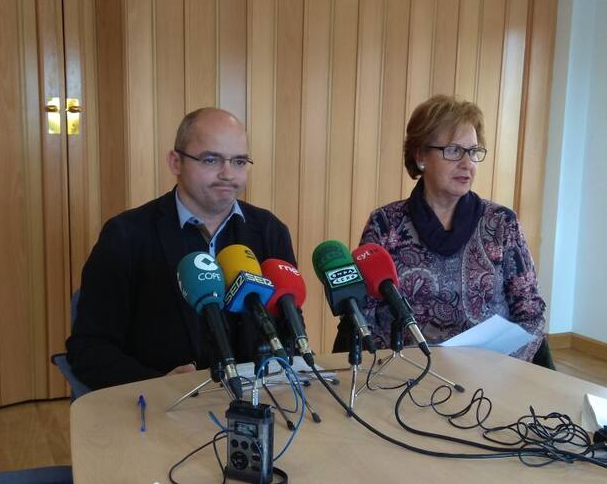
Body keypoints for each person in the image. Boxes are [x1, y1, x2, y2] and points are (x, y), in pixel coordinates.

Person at [66, 108, 296, 390]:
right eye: (211, 159)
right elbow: (89, 349)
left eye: (238, 161)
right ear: (176, 162)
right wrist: (158, 386)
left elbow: (290, 331)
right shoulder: (126, 235)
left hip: (258, 400)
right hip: (160, 404)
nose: (227, 174)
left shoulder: (271, 231)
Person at [343, 95, 546, 362]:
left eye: (473, 152)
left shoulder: (501, 223)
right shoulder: (385, 224)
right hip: (406, 375)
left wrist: (503, 367)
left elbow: (531, 315)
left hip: (490, 374)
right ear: (421, 156)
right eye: (453, 151)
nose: (467, 163)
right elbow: (362, 315)